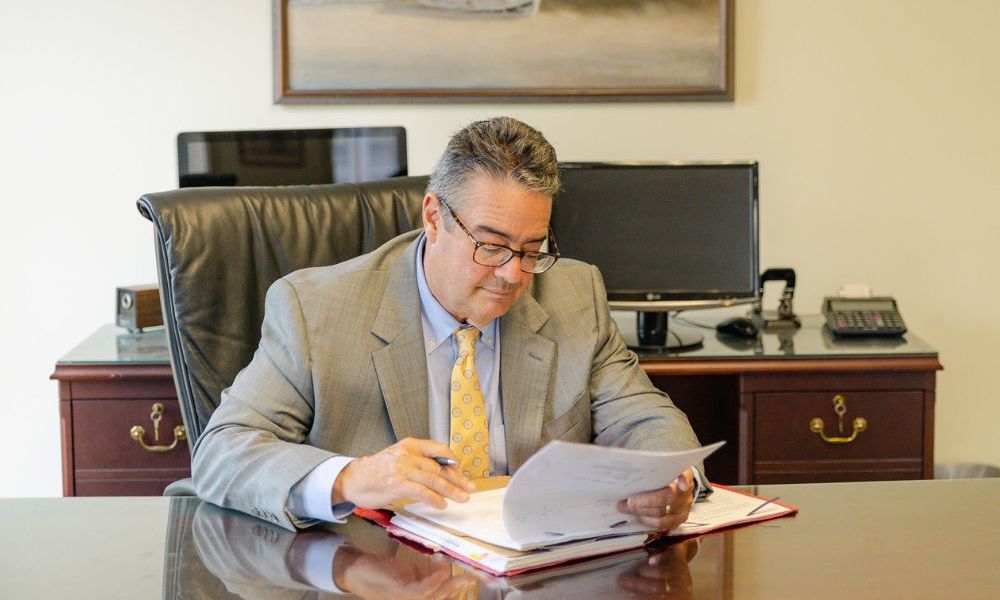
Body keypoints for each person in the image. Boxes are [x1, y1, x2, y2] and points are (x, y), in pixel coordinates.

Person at [192, 116, 704, 533]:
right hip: (374, 575)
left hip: (533, 571)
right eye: (491, 244)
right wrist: (350, 478)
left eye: (532, 250)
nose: (512, 274)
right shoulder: (314, 310)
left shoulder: (576, 295)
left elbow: (646, 419)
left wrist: (669, 481)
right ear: (434, 218)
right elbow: (223, 451)